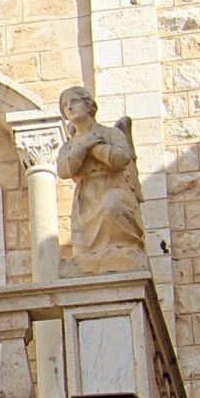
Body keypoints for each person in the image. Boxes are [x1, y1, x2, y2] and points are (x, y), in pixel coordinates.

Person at [56, 86, 147, 273]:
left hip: (112, 186)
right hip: (86, 197)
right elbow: (64, 170)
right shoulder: (69, 145)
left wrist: (95, 147)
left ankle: (120, 250)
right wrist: (83, 146)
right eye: (65, 105)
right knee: (82, 252)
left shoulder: (111, 134)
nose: (70, 107)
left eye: (74, 101)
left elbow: (121, 159)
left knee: (111, 206)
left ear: (88, 105)